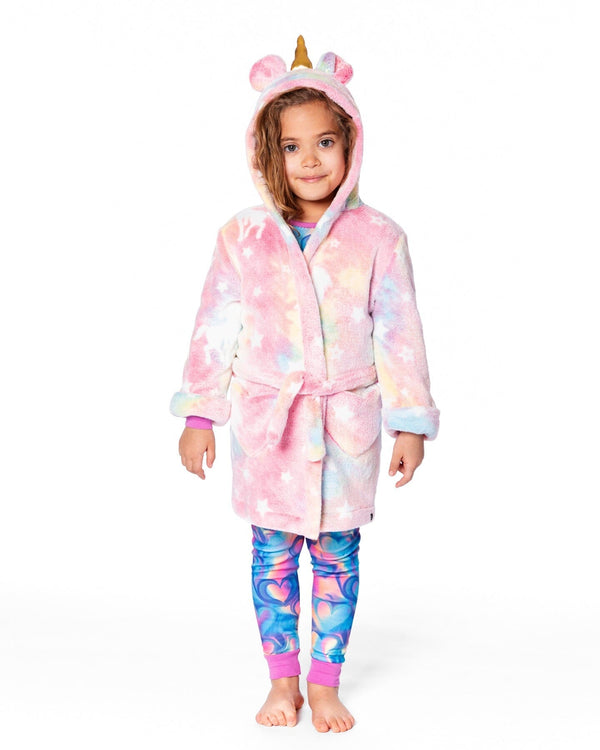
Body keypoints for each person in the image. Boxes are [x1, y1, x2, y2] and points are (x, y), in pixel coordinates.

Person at [170, 36, 440, 733]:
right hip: (270, 428)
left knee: (338, 559)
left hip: (345, 426)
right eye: (292, 146)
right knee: (271, 558)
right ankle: (281, 680)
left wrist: (411, 421)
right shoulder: (242, 238)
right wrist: (199, 414)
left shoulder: (379, 238)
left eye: (325, 142)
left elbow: (400, 333)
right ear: (268, 152)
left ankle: (325, 683)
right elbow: (214, 325)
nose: (310, 159)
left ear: (351, 145)